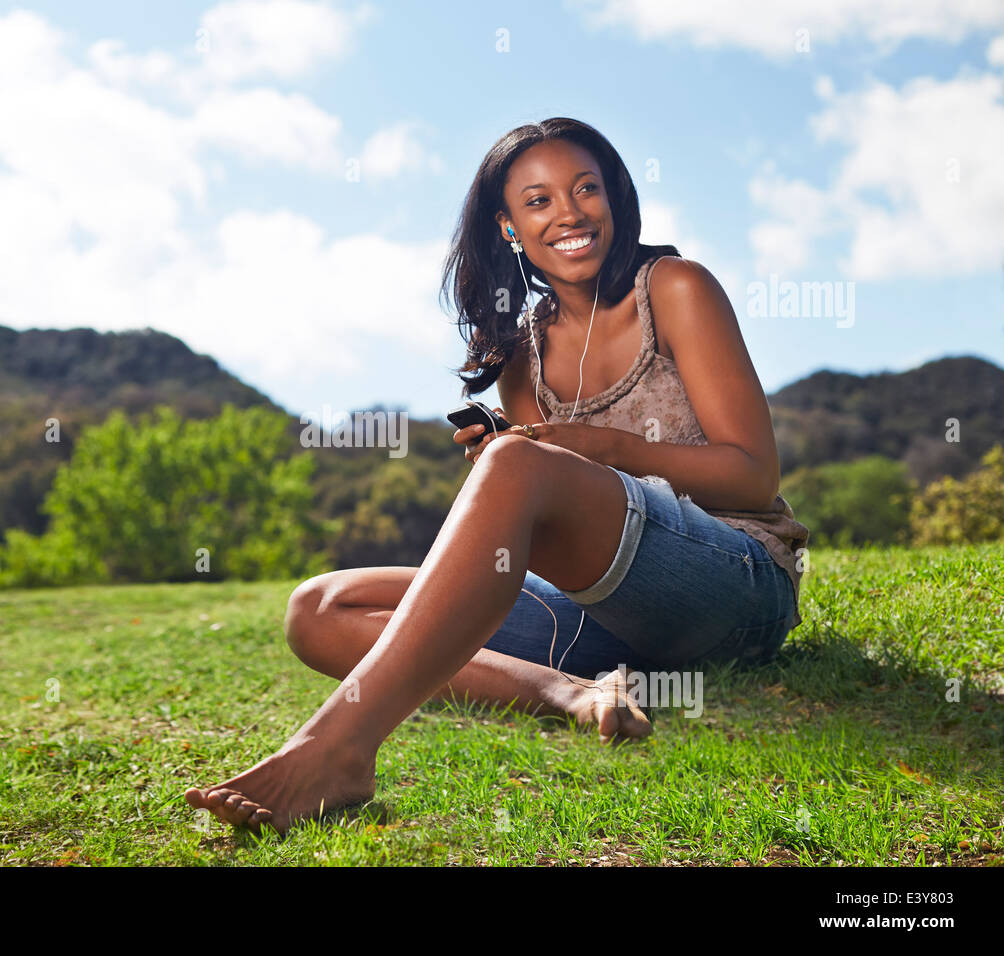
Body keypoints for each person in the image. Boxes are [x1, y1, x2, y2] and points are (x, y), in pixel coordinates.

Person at [184, 117, 810, 836]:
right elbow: (555, 527)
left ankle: (336, 751)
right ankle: (567, 692)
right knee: (318, 610)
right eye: (539, 201)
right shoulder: (524, 355)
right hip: (612, 620)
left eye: (585, 190)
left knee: (519, 461)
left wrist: (597, 448)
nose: (569, 213)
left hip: (736, 589)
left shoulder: (673, 288)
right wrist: (515, 469)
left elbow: (754, 477)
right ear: (509, 227)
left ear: (616, 200)